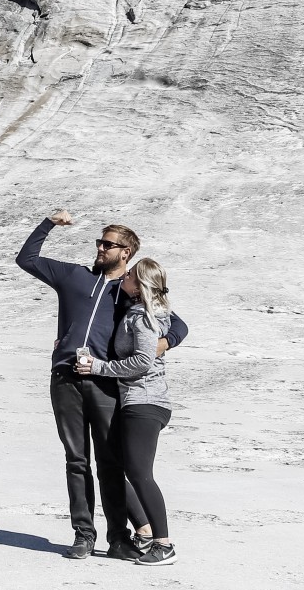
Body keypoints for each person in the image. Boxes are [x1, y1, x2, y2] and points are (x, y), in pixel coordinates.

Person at [17, 211, 187, 560]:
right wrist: (48, 223)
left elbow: (179, 325)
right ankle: (83, 534)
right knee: (76, 459)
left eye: (108, 244)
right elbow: (27, 258)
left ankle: (119, 538)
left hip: (106, 382)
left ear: (126, 252)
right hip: (65, 378)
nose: (100, 247)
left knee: (110, 463)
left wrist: (162, 344)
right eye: (100, 241)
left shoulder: (129, 290)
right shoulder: (73, 276)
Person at [78, 257, 177, 565]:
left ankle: (164, 544)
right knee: (117, 468)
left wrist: (98, 366)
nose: (125, 277)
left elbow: (142, 361)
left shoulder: (143, 316)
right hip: (137, 401)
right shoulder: (141, 311)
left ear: (140, 285)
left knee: (138, 473)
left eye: (130, 275)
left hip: (145, 401)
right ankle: (145, 533)